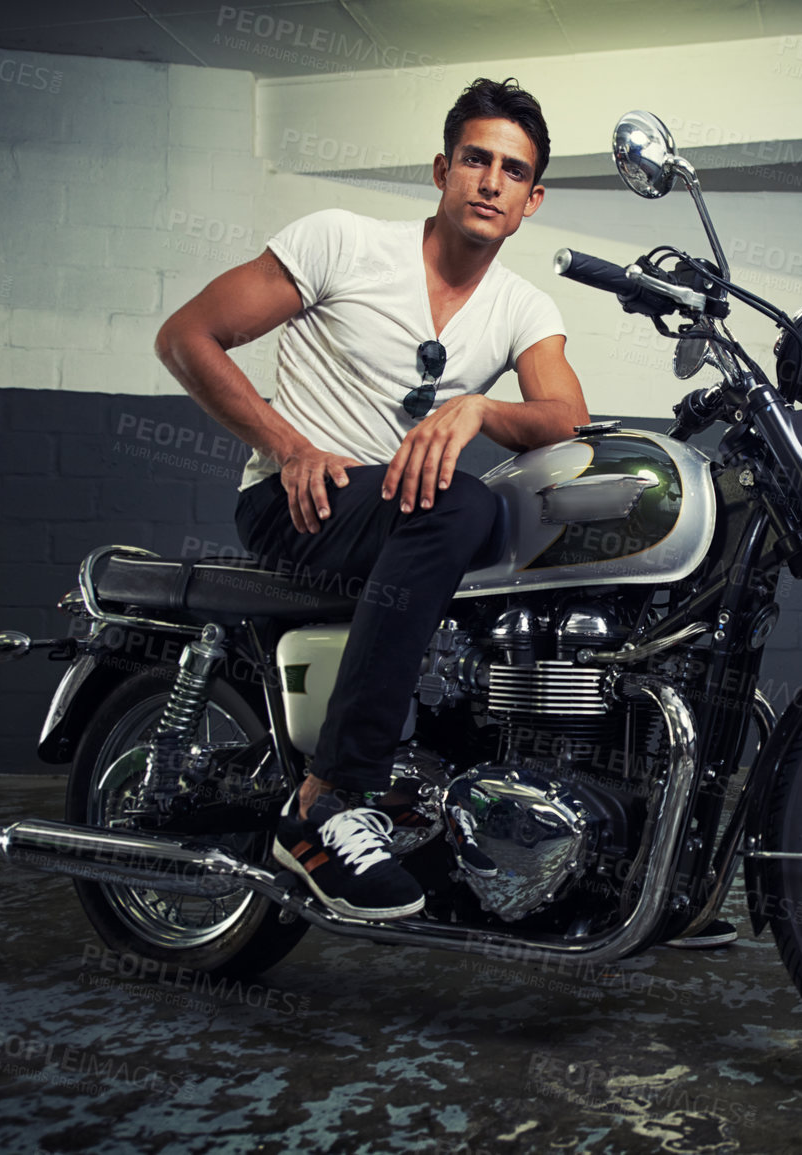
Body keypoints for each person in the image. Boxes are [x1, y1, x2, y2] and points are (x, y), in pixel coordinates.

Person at [155, 78, 737, 949]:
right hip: (296, 501)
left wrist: (478, 411)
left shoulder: (519, 308)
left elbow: (564, 418)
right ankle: (326, 801)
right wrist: (289, 445)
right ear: (442, 168)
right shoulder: (340, 242)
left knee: (502, 530)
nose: (490, 181)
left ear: (531, 200)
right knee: (464, 503)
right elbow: (187, 335)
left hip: (394, 517)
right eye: (476, 159)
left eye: (513, 170)